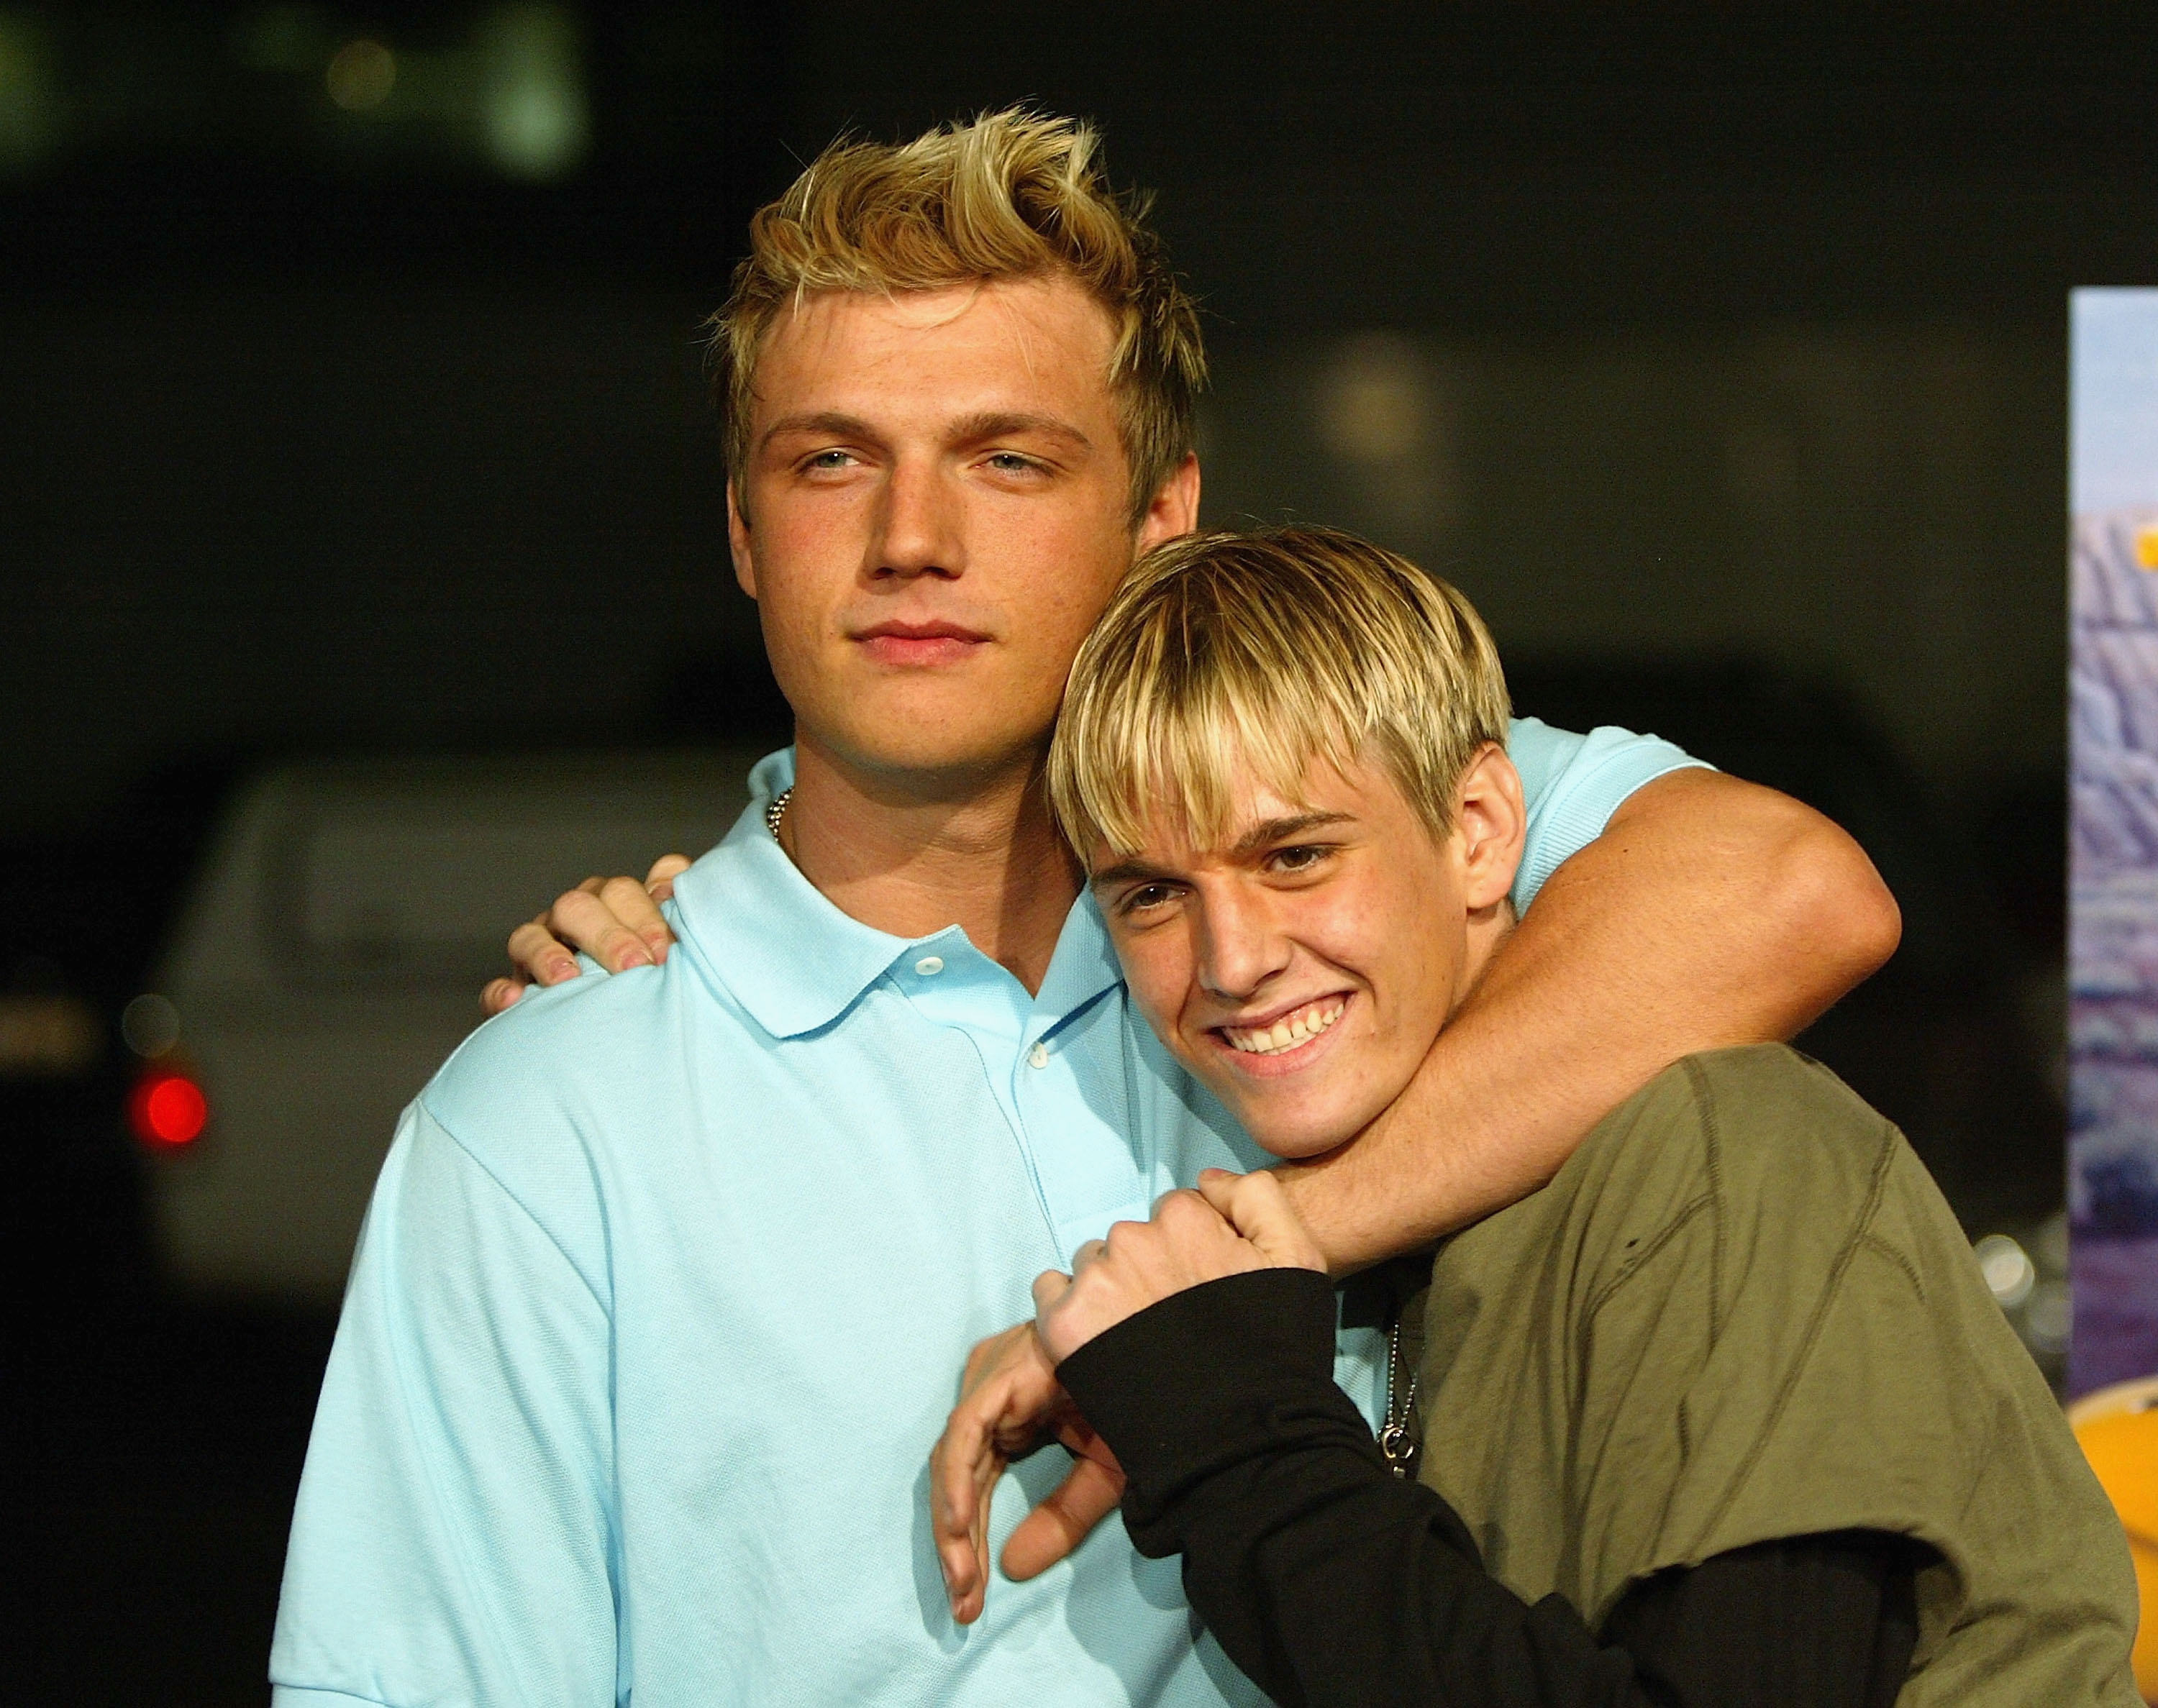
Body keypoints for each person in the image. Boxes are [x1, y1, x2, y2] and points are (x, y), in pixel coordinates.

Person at [272, 112, 1898, 1705]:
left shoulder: (1332, 872)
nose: (913, 541)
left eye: (1007, 459)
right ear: (744, 533)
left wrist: (1250, 1251)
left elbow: (1793, 890)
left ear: (1161, 520)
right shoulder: (549, 1123)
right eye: (831, 461)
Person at [929, 526, 2141, 1707]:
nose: (1232, 959)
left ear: (1479, 834)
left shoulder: (1720, 1154)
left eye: (1295, 857)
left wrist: (1232, 1434)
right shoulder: (1428, 1231)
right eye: (1151, 895)